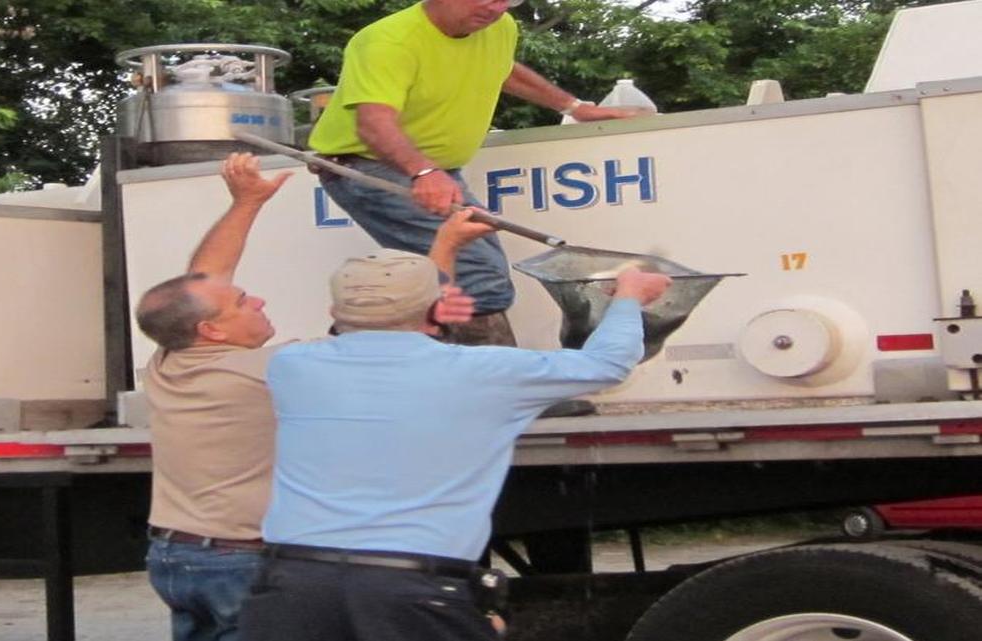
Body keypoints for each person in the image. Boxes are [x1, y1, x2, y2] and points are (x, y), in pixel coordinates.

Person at [135, 152, 486, 641]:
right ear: (212, 330)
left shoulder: (170, 360)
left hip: (176, 558)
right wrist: (444, 246)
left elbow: (200, 280)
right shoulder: (275, 369)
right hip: (239, 560)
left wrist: (246, 202)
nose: (256, 300)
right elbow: (395, 324)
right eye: (242, 302)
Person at [239, 252, 672, 641]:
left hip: (292, 582)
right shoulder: (483, 371)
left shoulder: (291, 366)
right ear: (434, 312)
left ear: (334, 310)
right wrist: (628, 297)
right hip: (413, 588)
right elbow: (607, 364)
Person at [308, 0, 650, 345]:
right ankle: (498, 388)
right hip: (368, 167)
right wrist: (423, 171)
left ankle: (416, 374)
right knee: (479, 275)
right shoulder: (388, 41)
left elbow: (502, 68)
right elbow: (373, 124)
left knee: (443, 278)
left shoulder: (498, 27)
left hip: (430, 170)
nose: (497, 7)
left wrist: (576, 107)